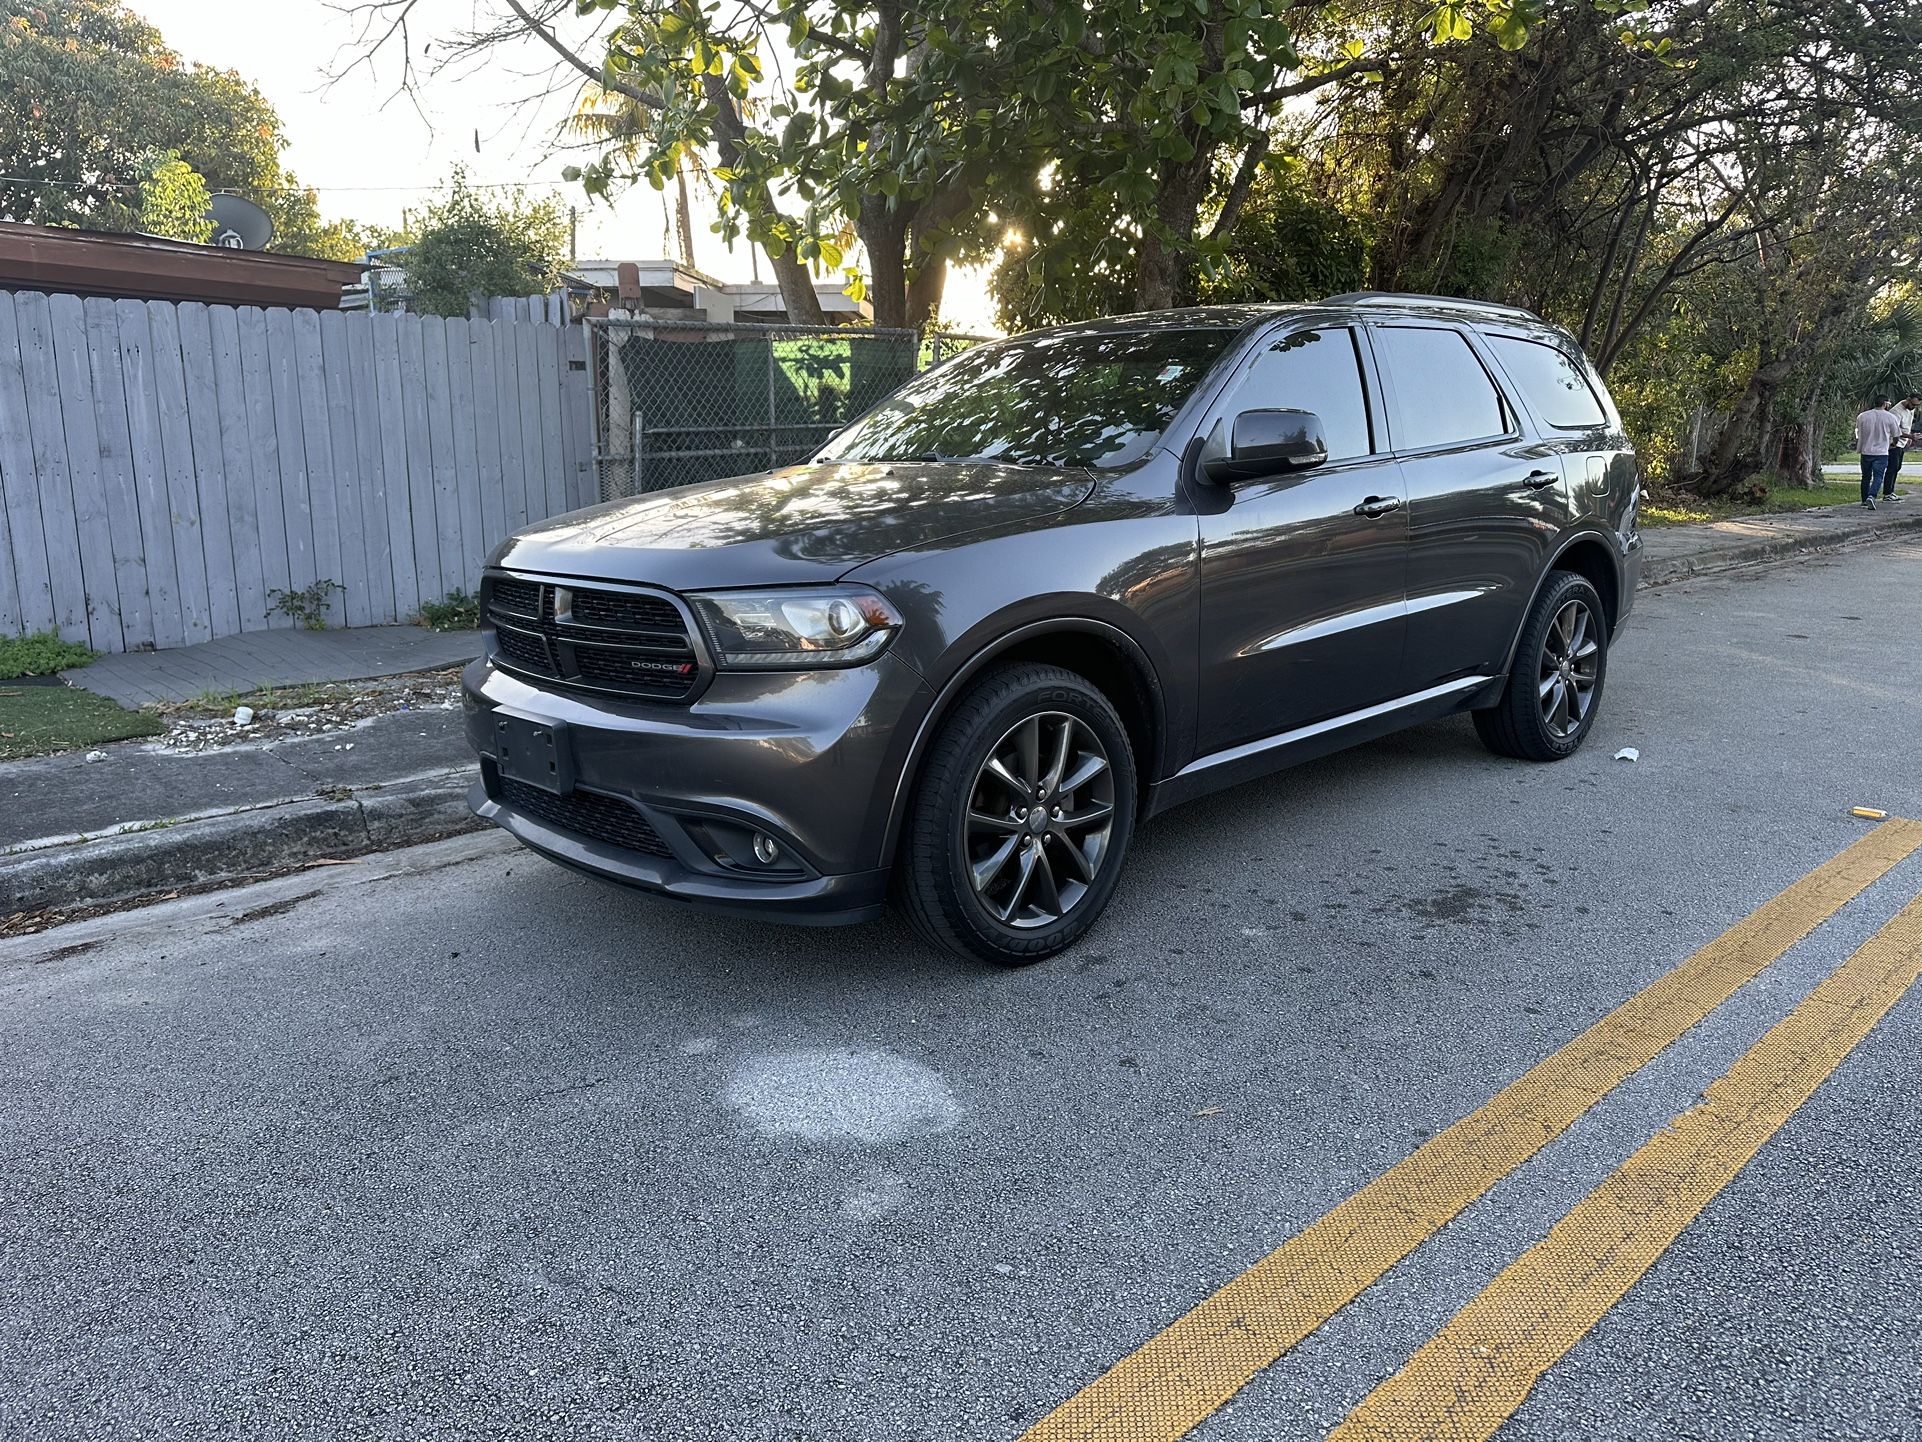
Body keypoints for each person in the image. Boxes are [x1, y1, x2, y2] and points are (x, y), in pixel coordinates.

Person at [1854, 397, 1902, 509]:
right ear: (1885, 404)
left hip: (1866, 451)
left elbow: (1858, 432)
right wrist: (1894, 444)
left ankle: (1864, 500)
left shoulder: (1862, 416)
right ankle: (1871, 496)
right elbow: (1896, 435)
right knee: (1878, 476)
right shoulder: (1890, 417)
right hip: (1881, 452)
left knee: (1865, 476)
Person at [1883, 394, 1919, 501]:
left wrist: (1909, 438)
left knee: (1897, 467)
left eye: (1916, 406)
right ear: (1908, 400)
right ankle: (1887, 493)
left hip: (1902, 442)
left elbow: (1906, 426)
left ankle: (1891, 491)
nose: (1914, 407)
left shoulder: (1910, 409)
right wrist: (1910, 436)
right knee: (1892, 467)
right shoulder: (1896, 412)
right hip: (1894, 442)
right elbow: (1894, 430)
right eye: (1913, 404)